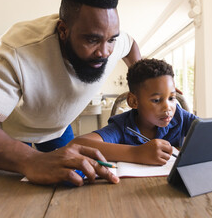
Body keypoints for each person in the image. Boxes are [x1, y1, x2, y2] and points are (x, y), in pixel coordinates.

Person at [0, 0, 141, 186]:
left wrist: (143, 82)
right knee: (10, 189)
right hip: (12, 133)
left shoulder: (111, 38)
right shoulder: (19, 50)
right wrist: (31, 160)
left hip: (58, 128)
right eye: (92, 40)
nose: (104, 52)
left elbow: (130, 46)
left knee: (74, 180)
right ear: (63, 30)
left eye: (111, 39)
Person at [69, 58, 197, 165]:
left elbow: (208, 130)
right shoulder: (122, 126)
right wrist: (137, 153)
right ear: (133, 101)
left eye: (171, 98)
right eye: (157, 100)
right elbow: (78, 144)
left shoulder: (180, 117)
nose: (167, 107)